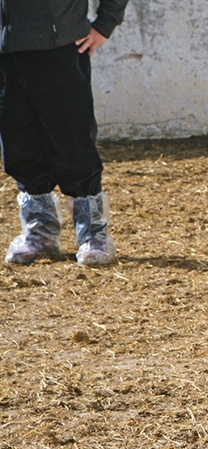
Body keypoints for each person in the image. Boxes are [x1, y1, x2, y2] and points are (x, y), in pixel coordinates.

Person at [1, 0, 128, 266]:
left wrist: (105, 23)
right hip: (5, 52)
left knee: (73, 141)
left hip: (59, 47)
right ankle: (40, 232)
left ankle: (93, 234)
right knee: (18, 142)